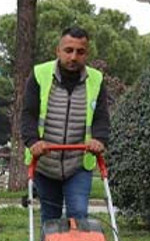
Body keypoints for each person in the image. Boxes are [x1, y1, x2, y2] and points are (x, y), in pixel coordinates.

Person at [21, 26, 110, 223]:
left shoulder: (96, 79)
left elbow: (101, 117)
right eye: (68, 50)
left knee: (78, 215)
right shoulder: (40, 74)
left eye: (80, 52)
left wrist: (99, 139)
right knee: (49, 219)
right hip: (44, 163)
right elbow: (28, 114)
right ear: (58, 51)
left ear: (87, 53)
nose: (73, 57)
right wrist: (33, 141)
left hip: (78, 163)